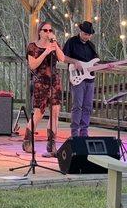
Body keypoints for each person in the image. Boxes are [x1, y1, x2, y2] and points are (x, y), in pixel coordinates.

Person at [22, 22, 82, 157]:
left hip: (54, 82)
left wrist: (54, 45)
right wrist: (46, 52)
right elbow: (32, 65)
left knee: (55, 112)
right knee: (39, 113)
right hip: (40, 82)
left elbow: (61, 58)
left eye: (50, 30)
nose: (48, 32)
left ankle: (52, 145)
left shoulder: (54, 44)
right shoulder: (32, 46)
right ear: (40, 32)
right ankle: (27, 140)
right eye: (45, 30)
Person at [63, 20, 102, 138]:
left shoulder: (91, 45)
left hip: (89, 79)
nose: (87, 36)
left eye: (89, 35)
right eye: (85, 34)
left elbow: (94, 61)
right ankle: (74, 133)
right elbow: (63, 57)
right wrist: (75, 61)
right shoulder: (72, 42)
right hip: (77, 78)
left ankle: (84, 132)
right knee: (77, 105)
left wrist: (99, 66)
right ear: (80, 32)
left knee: (88, 106)